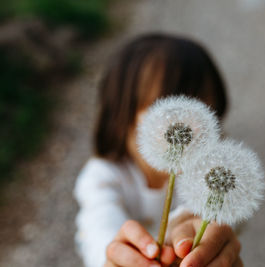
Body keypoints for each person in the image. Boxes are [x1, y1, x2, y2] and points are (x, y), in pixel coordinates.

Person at [74, 33, 243, 267]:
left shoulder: (212, 171)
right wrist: (111, 258)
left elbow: (230, 210)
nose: (190, 126)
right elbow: (98, 224)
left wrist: (201, 226)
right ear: (121, 115)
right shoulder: (102, 177)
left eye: (204, 111)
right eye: (169, 113)